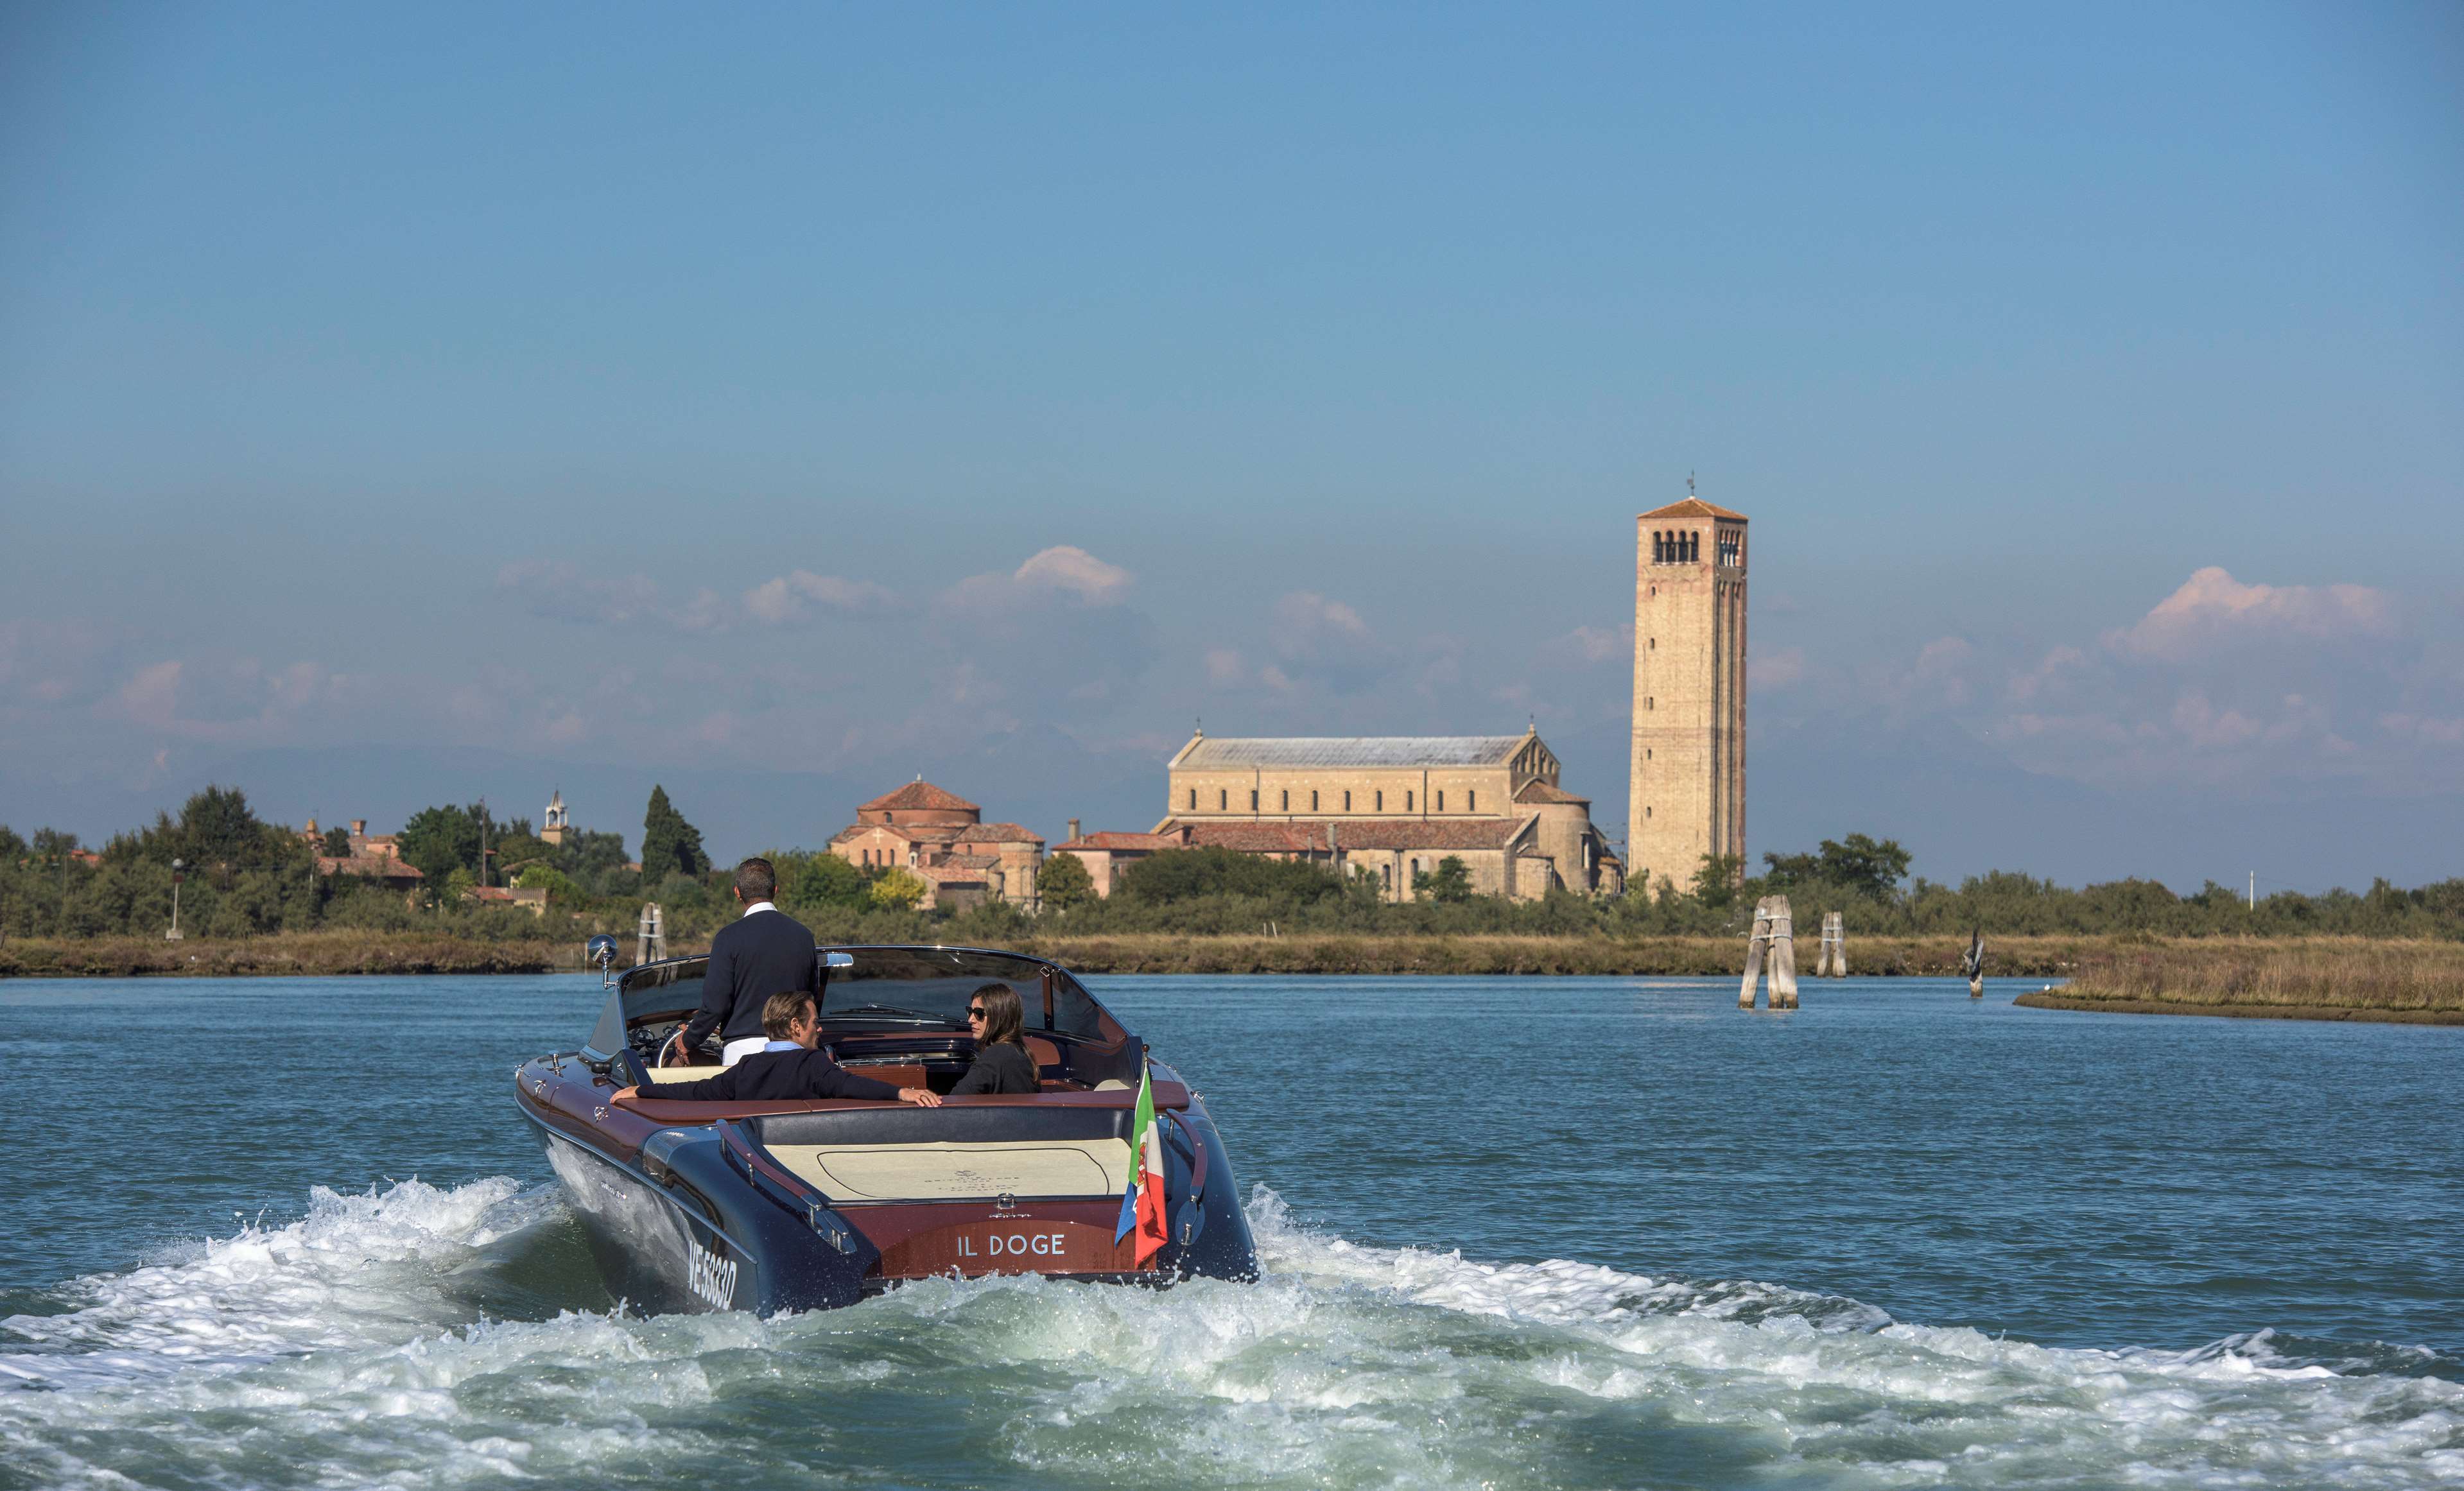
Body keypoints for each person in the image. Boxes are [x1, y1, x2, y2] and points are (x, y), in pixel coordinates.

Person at [617, 990, 941, 1107]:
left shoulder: (745, 1068)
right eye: (815, 1022)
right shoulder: (812, 1064)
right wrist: (902, 1094)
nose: (820, 1028)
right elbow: (849, 1085)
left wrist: (643, 1092)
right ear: (797, 1027)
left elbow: (697, 1091)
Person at [669, 857, 815, 1067]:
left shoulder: (728, 938)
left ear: (738, 892)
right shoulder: (804, 936)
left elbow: (715, 1007)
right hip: (794, 1050)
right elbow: (810, 997)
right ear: (775, 890)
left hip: (742, 1054)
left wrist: (688, 1040)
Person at [950, 981, 1039, 1095]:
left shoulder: (996, 1055)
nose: (971, 1020)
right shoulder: (1019, 1050)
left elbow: (957, 1098)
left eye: (978, 1013)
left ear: (999, 1017)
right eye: (970, 1012)